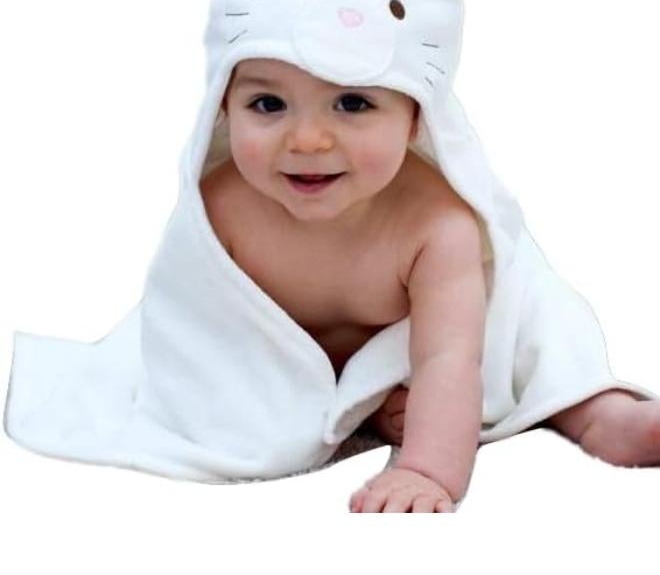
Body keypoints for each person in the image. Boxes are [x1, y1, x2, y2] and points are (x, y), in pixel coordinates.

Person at [200, 56, 660, 514]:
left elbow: (449, 356)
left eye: (353, 103)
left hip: (463, 342)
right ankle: (365, 408)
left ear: (416, 116)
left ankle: (598, 412)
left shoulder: (437, 223)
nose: (307, 140)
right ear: (224, 107)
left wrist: (426, 470)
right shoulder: (218, 209)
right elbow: (190, 331)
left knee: (540, 322)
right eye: (268, 103)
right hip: (321, 372)